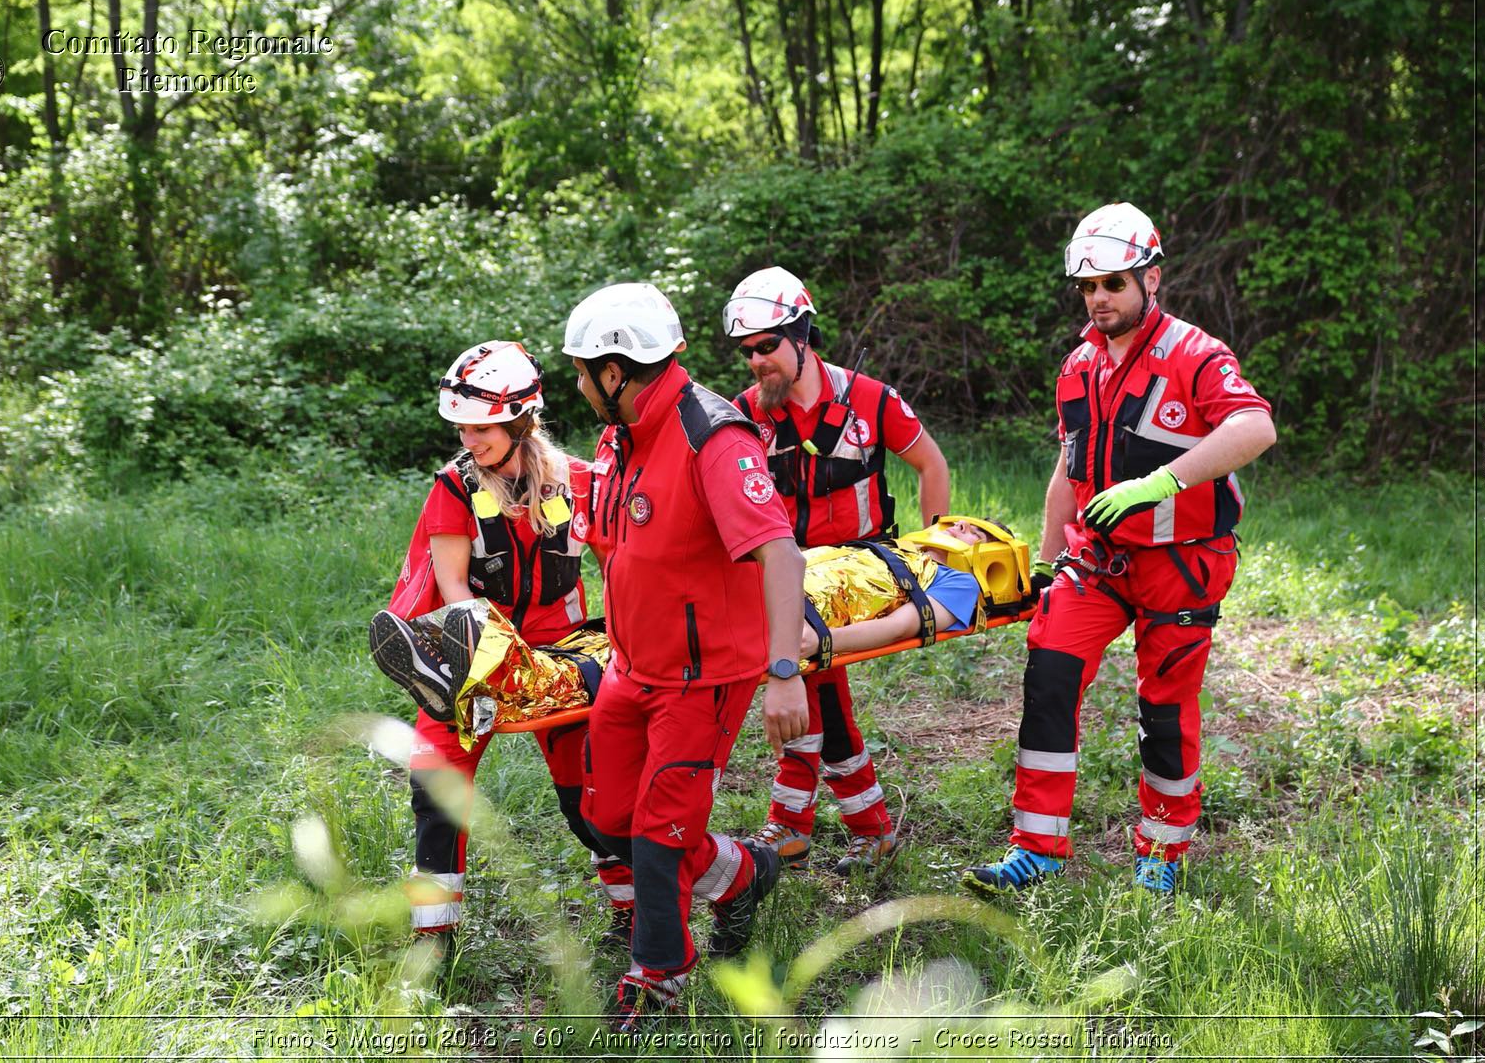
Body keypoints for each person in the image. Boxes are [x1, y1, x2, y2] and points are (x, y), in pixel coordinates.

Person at [962, 202, 1277, 896]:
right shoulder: (1077, 367)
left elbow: (1255, 427)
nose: (1099, 299)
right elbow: (1065, 475)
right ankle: (1036, 849)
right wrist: (1044, 566)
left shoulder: (1196, 355)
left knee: (1165, 710)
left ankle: (1163, 854)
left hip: (1182, 563)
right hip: (1096, 564)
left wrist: (1159, 482)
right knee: (1048, 678)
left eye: (1112, 284)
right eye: (1087, 287)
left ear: (1151, 280)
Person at [566, 281, 808, 1030]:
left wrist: (783, 673)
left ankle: (660, 973)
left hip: (705, 678)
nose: (576, 383)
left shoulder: (713, 435)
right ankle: (741, 876)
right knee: (604, 813)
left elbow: (780, 553)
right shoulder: (621, 434)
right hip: (633, 667)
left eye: (581, 369)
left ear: (615, 371)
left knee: (659, 832)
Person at [366, 340, 633, 950]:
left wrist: (622, 645)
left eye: (481, 425)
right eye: (461, 424)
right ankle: (432, 940)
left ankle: (632, 911)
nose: (469, 437)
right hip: (473, 649)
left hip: (562, 654)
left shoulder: (580, 480)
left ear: (520, 419)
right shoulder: (454, 487)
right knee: (435, 783)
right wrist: (485, 666)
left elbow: (617, 566)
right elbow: (455, 587)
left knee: (589, 795)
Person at [376, 518, 1031, 736]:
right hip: (755, 586)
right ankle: (465, 667)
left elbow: (908, 627)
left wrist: (819, 645)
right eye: (959, 523)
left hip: (780, 618)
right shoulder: (892, 547)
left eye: (975, 529)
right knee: (625, 628)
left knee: (636, 656)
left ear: (989, 552)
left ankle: (490, 676)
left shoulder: (954, 582)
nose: (958, 528)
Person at [725, 265, 951, 874]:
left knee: (806, 668)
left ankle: (805, 825)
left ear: (802, 337)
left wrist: (932, 553)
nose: (756, 362)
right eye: (746, 351)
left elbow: (932, 464)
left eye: (767, 347)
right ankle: (847, 824)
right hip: (787, 579)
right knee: (811, 676)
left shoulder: (870, 399)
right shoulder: (746, 415)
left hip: (863, 574)